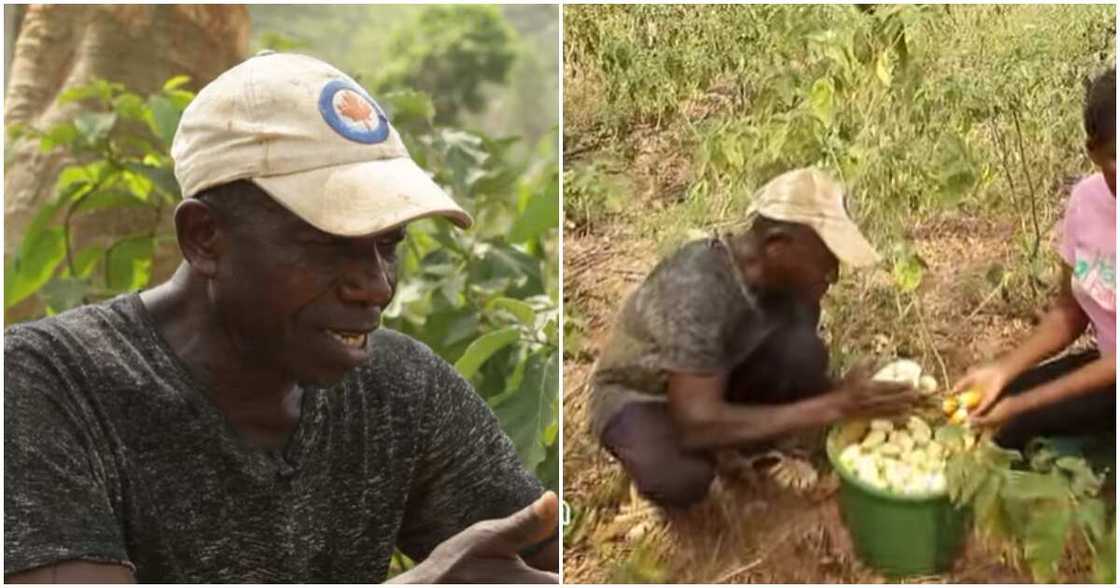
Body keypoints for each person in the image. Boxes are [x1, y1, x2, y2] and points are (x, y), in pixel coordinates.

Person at [4, 53, 558, 583]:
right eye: (330, 243)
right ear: (204, 238)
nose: (376, 285)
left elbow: (550, 559)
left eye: (388, 243)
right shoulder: (46, 386)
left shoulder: (400, 391)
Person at [588, 167, 919, 510]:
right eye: (825, 259)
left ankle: (740, 443)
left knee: (803, 354)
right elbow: (695, 424)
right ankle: (692, 449)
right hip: (643, 395)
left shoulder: (789, 287)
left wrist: (841, 392)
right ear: (777, 245)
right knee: (680, 479)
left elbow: (797, 366)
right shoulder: (698, 285)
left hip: (713, 378)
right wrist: (834, 406)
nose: (833, 274)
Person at [954, 66, 1115, 450]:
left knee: (1018, 419)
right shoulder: (1087, 202)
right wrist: (1001, 372)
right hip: (1107, 367)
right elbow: (1068, 313)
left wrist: (1020, 405)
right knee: (993, 407)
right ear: (1093, 151)